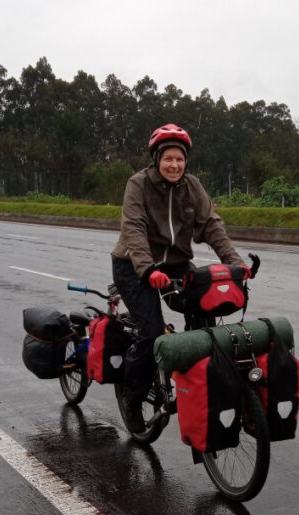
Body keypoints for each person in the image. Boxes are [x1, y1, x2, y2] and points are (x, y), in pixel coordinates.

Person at [110, 123, 249, 431]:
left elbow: (212, 225)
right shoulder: (138, 184)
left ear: (186, 162)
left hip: (175, 264)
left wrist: (235, 262)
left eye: (179, 159)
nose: (174, 164)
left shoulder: (192, 186)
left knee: (206, 307)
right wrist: (148, 270)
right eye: (168, 158)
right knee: (152, 332)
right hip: (134, 265)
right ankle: (133, 398)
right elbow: (133, 228)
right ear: (156, 159)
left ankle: (198, 375)